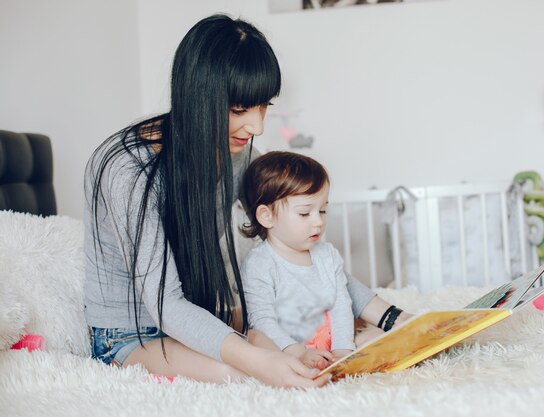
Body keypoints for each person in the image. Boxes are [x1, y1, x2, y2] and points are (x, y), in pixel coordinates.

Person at [83, 14, 408, 387]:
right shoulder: (128, 169)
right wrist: (259, 360)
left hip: (201, 317)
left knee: (302, 333)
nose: (257, 127)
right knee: (248, 373)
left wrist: (394, 317)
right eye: (239, 110)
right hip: (129, 338)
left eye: (263, 106)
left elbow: (307, 249)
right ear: (196, 98)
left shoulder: (235, 154)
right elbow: (166, 306)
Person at [240, 151, 387, 370]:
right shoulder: (259, 263)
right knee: (254, 338)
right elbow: (262, 320)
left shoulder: (327, 256)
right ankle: (297, 365)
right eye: (304, 213)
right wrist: (299, 352)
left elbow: (340, 306)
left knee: (379, 335)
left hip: (328, 342)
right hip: (285, 347)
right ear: (266, 216)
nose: (318, 221)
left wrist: (342, 350)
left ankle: (332, 359)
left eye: (323, 210)